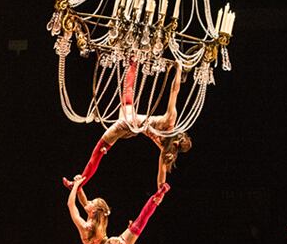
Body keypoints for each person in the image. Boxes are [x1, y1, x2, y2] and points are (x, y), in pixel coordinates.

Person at [63, 58, 192, 190]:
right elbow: (161, 174)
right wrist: (161, 188)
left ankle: (77, 185)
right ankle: (133, 62)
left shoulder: (170, 121)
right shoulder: (166, 148)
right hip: (132, 123)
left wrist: (179, 70)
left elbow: (174, 91)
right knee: (128, 96)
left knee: (97, 153)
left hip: (126, 124)